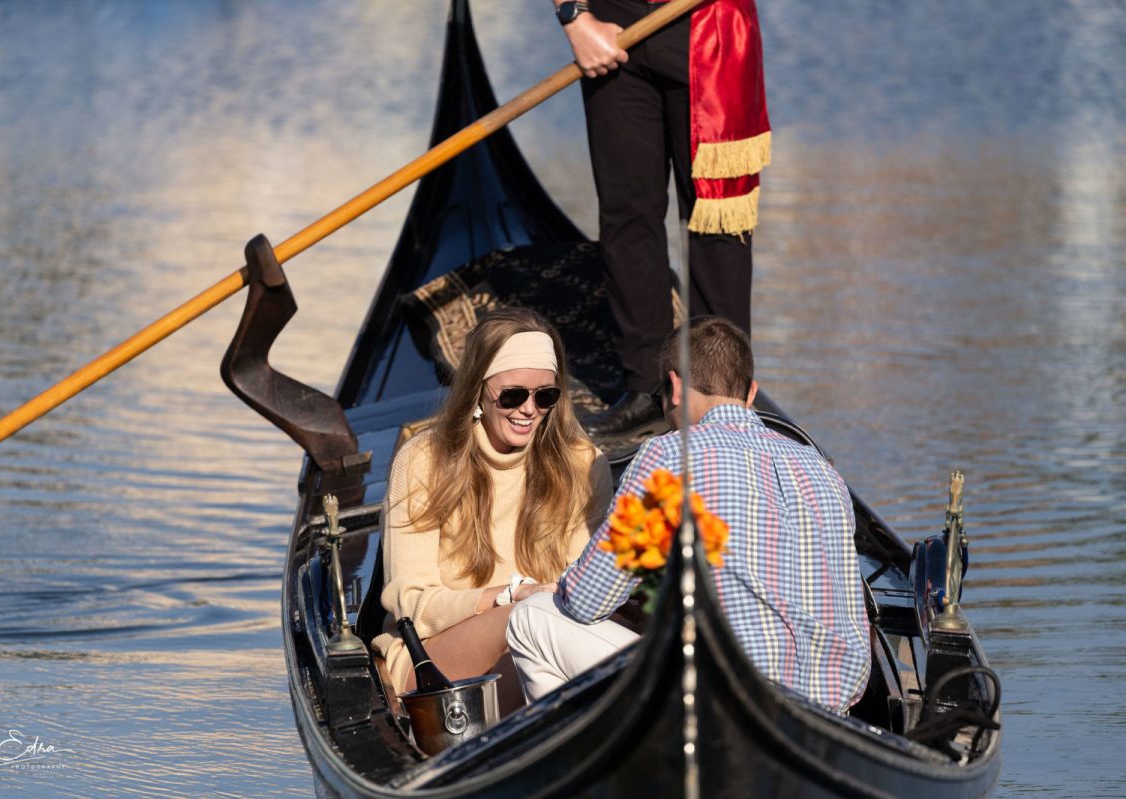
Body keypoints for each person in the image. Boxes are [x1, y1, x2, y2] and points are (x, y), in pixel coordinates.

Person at [507, 316, 871, 714]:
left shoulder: (668, 457)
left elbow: (586, 602)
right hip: (832, 711)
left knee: (531, 619)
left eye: (659, 394)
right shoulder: (823, 470)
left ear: (675, 387)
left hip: (728, 703)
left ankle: (585, 767)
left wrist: (557, 588)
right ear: (750, 393)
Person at [371, 308, 614, 710]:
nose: (529, 410)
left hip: (556, 645)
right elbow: (410, 603)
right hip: (431, 659)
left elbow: (583, 589)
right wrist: (509, 597)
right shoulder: (422, 460)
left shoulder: (584, 464)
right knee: (532, 618)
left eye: (545, 396)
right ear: (478, 389)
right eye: (513, 395)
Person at [554, 0, 771, 436]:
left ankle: (722, 395)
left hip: (709, 24)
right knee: (627, 216)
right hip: (608, 26)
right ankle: (647, 390)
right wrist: (574, 17)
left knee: (717, 224)